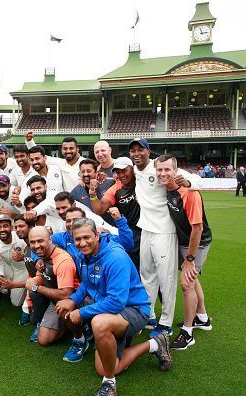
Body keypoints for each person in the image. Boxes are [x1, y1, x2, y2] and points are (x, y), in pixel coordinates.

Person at [56, 218, 172, 396]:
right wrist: (72, 300)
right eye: (77, 239)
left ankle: (109, 383)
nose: (82, 243)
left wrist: (82, 312)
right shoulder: (82, 256)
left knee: (99, 324)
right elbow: (87, 285)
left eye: (87, 237)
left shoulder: (115, 257)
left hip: (134, 310)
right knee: (103, 366)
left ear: (97, 235)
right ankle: (156, 344)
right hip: (109, 309)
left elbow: (116, 302)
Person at [129, 137, 202, 337]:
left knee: (166, 278)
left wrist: (188, 181)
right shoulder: (134, 168)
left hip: (165, 231)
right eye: (133, 150)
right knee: (147, 276)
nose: (136, 154)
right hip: (146, 229)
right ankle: (149, 315)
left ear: (148, 151)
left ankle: (166, 322)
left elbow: (197, 180)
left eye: (140, 150)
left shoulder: (159, 167)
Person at [156, 155, 213, 350]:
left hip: (197, 242)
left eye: (167, 170)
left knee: (186, 284)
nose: (163, 173)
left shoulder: (189, 192)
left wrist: (189, 259)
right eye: (160, 170)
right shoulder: (166, 188)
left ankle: (187, 333)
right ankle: (203, 319)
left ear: (176, 171)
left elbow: (197, 229)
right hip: (181, 241)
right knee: (193, 279)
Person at [25, 227, 79, 351]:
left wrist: (35, 287)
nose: (36, 245)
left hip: (72, 300)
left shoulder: (62, 261)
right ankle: (66, 325)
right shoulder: (42, 256)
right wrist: (33, 281)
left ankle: (79, 336)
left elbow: (66, 294)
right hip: (55, 300)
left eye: (40, 241)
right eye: (32, 242)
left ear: (50, 239)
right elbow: (41, 277)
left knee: (60, 304)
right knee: (43, 340)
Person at [90, 157, 141, 269]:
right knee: (135, 268)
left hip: (151, 229)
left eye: (124, 171)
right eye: (118, 172)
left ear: (132, 169)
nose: (121, 175)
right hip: (132, 233)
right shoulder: (116, 188)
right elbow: (100, 209)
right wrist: (92, 193)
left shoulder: (142, 179)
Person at [0, 215, 28, 313]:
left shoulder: (20, 237)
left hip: (25, 269)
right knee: (0, 285)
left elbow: (36, 257)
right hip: (11, 267)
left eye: (5, 226)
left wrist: (23, 258)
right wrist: (1, 277)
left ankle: (26, 288)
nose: (2, 230)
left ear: (11, 228)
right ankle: (9, 287)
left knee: (16, 303)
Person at [71, 159, 115, 225]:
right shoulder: (76, 191)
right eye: (83, 171)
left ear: (96, 172)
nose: (85, 174)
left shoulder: (110, 183)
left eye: (89, 171)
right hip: (92, 229)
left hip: (113, 227)